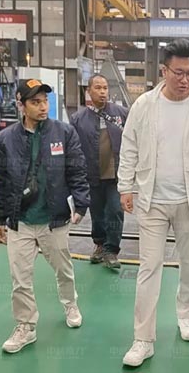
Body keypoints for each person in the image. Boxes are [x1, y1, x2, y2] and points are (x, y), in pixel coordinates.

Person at [118, 39, 189, 367]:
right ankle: (143, 339)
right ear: (164, 71)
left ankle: (186, 315)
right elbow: (129, 146)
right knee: (148, 268)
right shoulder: (144, 105)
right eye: (178, 73)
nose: (185, 80)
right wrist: (126, 186)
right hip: (151, 200)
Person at [0, 78, 91, 354]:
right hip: (20, 221)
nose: (43, 107)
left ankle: (70, 303)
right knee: (20, 278)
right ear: (21, 105)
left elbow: (77, 170)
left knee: (63, 269)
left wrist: (81, 204)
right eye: (35, 102)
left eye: (45, 101)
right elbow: (1, 181)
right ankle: (26, 326)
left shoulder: (64, 132)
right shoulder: (6, 138)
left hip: (54, 218)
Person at [70, 74, 128, 269]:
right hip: (92, 175)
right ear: (89, 91)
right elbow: (73, 149)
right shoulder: (78, 119)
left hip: (116, 176)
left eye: (105, 88)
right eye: (98, 88)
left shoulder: (122, 114)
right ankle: (100, 245)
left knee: (115, 211)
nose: (102, 92)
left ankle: (112, 250)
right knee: (97, 213)